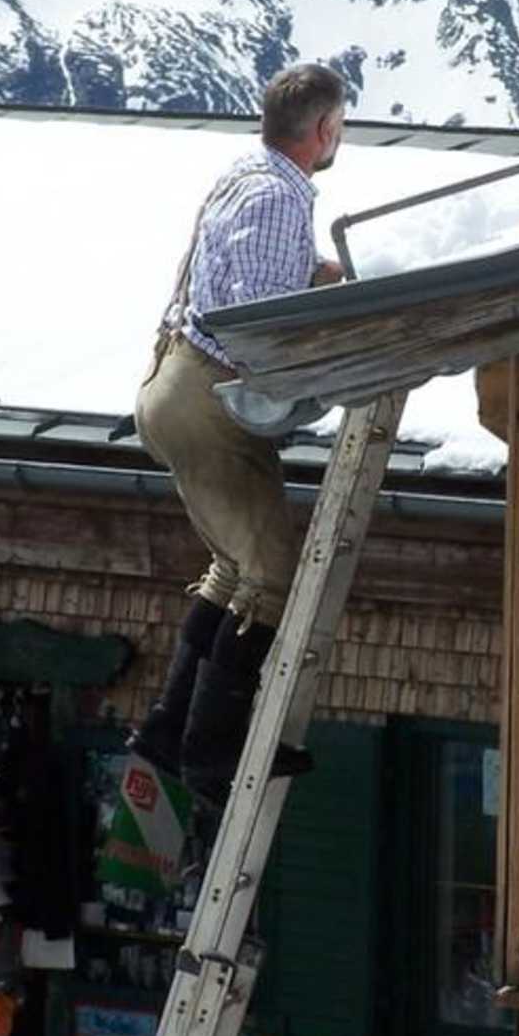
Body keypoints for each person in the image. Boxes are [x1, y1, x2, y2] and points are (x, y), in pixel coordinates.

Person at [131, 63, 349, 804]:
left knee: (233, 567)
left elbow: (245, 274)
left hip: (176, 384)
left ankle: (169, 727)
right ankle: (212, 751)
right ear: (324, 129)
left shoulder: (245, 176)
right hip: (209, 398)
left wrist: (322, 274)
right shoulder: (278, 196)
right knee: (273, 575)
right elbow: (256, 314)